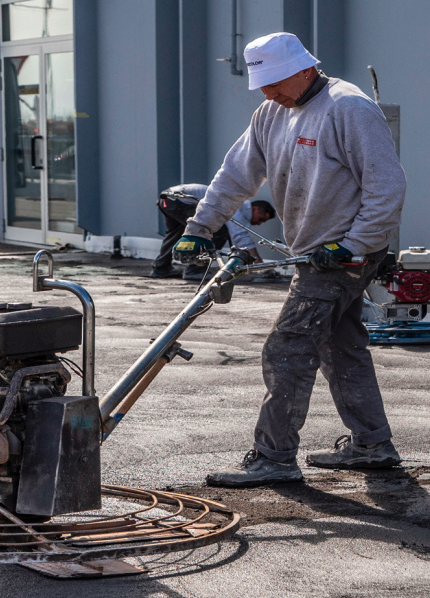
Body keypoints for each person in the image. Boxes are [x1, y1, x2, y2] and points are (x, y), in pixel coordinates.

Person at [172, 32, 407, 486]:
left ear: (305, 68)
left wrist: (354, 245)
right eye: (262, 85)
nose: (268, 92)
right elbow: (236, 174)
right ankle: (372, 443)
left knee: (288, 348)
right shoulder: (271, 112)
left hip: (344, 257)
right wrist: (199, 228)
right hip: (313, 251)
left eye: (276, 82)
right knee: (339, 346)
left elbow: (386, 187)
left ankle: (273, 457)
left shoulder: (349, 108)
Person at [150, 184, 275, 280]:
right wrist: (260, 266)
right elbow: (240, 237)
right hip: (180, 199)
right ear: (256, 209)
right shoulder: (237, 205)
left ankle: (161, 269)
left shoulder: (235, 203)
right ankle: (195, 270)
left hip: (168, 198)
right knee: (215, 230)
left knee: (176, 234)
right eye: (261, 219)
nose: (259, 223)